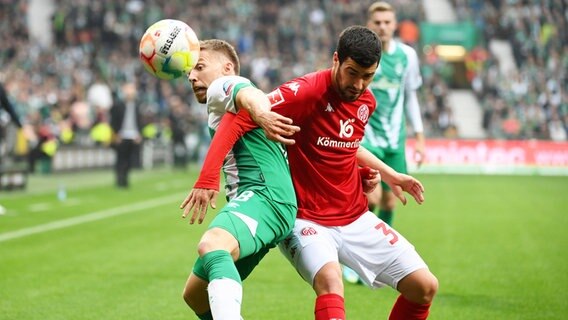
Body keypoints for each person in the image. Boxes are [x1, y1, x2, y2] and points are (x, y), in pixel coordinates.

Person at [194, 26, 438, 320]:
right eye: (352, 72)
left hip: (354, 216)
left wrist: (384, 173)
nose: (359, 84)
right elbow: (246, 116)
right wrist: (208, 177)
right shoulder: (306, 91)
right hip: (306, 219)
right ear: (336, 60)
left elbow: (345, 146)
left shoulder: (366, 103)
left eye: (368, 76)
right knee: (331, 283)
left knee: (424, 286)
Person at [179, 39, 301, 320]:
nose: (192, 76)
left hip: (264, 195)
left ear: (227, 68)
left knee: (212, 244)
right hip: (266, 201)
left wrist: (261, 112)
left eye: (199, 67)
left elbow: (247, 93)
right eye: (189, 73)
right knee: (195, 294)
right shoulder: (222, 107)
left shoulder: (224, 87)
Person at [363, 1, 426, 227]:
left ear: (395, 24)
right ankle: (356, 258)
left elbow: (410, 97)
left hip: (394, 141)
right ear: (369, 24)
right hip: (367, 138)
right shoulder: (363, 56)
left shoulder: (407, 56)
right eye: (377, 22)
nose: (382, 26)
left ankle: (377, 253)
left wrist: (419, 138)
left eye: (387, 22)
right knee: (372, 198)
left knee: (389, 203)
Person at [109, 82, 142, 188]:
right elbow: (113, 122)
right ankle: (119, 180)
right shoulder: (118, 105)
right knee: (120, 159)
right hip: (121, 135)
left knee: (129, 160)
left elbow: (140, 121)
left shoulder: (137, 106)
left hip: (133, 135)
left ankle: (126, 180)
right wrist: (116, 135)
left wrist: (138, 134)